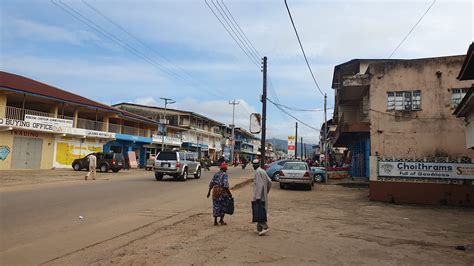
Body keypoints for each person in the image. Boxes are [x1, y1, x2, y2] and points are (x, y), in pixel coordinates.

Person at [252, 159, 272, 236]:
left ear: (255, 165)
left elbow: (259, 185)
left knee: (259, 211)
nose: (254, 166)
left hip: (259, 196)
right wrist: (266, 192)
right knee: (260, 210)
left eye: (254, 165)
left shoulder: (257, 172)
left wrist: (258, 196)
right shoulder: (263, 171)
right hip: (263, 195)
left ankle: (265, 227)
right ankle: (259, 229)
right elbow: (269, 182)